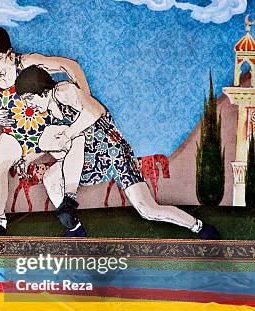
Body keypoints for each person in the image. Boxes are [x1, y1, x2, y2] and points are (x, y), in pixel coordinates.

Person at [14, 65, 220, 239]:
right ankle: (74, 228)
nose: (29, 104)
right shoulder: (50, 113)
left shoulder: (63, 91)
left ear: (41, 91)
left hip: (114, 154)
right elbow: (48, 144)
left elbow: (96, 112)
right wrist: (27, 158)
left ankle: (199, 227)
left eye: (29, 99)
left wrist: (67, 134)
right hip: (87, 160)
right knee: (50, 175)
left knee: (147, 209)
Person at [0, 25, 91, 236]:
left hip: (46, 128)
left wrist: (85, 98)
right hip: (15, 133)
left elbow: (71, 65)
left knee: (66, 160)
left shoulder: (26, 63)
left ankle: (71, 218)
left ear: (9, 52)